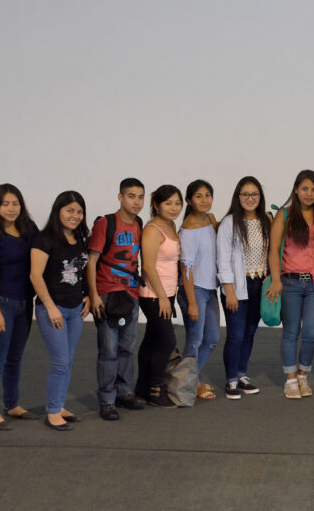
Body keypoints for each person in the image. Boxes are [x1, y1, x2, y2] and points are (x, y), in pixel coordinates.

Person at [87, 178, 146, 421]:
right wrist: (93, 296)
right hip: (107, 294)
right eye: (131, 196)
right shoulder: (106, 223)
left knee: (126, 348)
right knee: (109, 350)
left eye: (141, 196)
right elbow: (91, 262)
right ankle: (107, 400)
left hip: (131, 295)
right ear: (120, 197)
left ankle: (124, 392)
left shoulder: (139, 224)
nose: (137, 201)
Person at [31, 191, 90, 431]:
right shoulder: (44, 239)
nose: (75, 216)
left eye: (79, 211)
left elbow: (82, 272)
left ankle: (59, 404)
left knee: (68, 360)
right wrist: (50, 306)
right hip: (52, 310)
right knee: (60, 362)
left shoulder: (80, 239)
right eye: (69, 211)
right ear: (58, 211)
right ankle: (53, 412)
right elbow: (35, 275)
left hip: (75, 309)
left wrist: (86, 294)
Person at [266, 170, 314, 399]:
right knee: (291, 332)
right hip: (290, 283)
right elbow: (273, 250)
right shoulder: (284, 214)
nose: (309, 193)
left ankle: (303, 375)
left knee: (311, 332)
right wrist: (275, 279)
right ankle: (290, 379)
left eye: (313, 189)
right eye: (304, 189)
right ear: (296, 190)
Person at [217, 176, 269, 400]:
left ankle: (242, 374)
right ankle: (230, 380)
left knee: (249, 333)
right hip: (237, 285)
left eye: (254, 194)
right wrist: (229, 290)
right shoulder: (229, 222)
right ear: (238, 197)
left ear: (260, 197)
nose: (250, 198)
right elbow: (223, 259)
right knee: (236, 335)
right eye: (245, 194)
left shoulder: (266, 220)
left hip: (259, 284)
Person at [0, 184, 38, 430]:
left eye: (15, 203)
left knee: (15, 358)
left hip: (24, 303)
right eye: (5, 204)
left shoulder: (28, 230)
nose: (11, 209)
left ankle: (12, 404)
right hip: (2, 303)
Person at [135, 185, 182, 408]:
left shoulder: (171, 225)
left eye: (177, 203)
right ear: (156, 205)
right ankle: (155, 389)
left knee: (152, 340)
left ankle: (141, 388)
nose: (174, 208)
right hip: (153, 294)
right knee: (167, 341)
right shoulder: (153, 229)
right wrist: (162, 297)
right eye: (168, 203)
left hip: (168, 293)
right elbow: (149, 267)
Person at [177, 180, 220, 400]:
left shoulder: (211, 220)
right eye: (199, 196)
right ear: (189, 200)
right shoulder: (188, 230)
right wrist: (192, 302)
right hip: (194, 290)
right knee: (195, 340)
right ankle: (185, 386)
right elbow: (187, 269)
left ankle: (191, 381)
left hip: (210, 289)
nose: (204, 200)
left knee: (211, 338)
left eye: (208, 195)